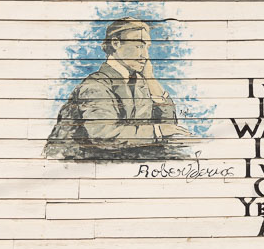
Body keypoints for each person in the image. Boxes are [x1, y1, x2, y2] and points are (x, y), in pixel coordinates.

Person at [44, 17, 193, 159]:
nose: (145, 55)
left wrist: (151, 79)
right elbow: (104, 136)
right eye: (139, 46)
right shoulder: (95, 86)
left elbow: (168, 125)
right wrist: (157, 131)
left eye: (147, 47)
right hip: (75, 164)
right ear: (116, 43)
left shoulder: (140, 82)